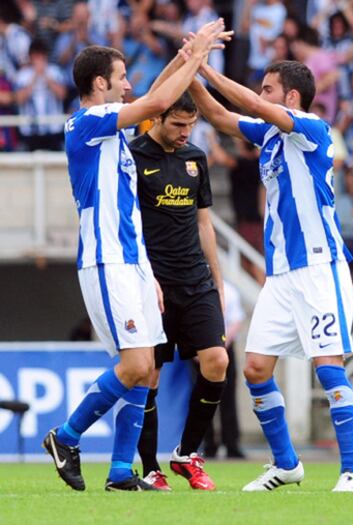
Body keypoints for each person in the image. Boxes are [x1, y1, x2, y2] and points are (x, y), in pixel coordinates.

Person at [42, 19, 229, 492]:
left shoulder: (112, 129)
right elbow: (159, 101)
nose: (129, 85)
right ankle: (65, 438)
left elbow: (156, 94)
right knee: (132, 366)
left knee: (146, 370)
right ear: (99, 83)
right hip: (106, 260)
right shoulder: (87, 123)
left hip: (134, 261)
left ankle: (122, 472)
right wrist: (199, 53)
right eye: (122, 77)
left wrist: (188, 57)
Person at [188, 59, 353, 492]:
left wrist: (208, 70)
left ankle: (352, 473)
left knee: (328, 367)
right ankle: (286, 464)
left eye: (268, 89)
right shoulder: (269, 135)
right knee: (254, 368)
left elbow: (244, 102)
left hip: (319, 267)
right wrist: (187, 73)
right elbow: (217, 115)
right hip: (281, 275)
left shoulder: (311, 127)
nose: (260, 95)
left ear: (290, 97)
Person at [128, 91, 228, 491]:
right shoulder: (134, 157)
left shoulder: (195, 159)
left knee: (217, 361)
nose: (186, 132)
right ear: (157, 118)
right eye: (178, 125)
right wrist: (143, 275)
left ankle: (186, 454)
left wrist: (218, 280)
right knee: (148, 375)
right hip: (154, 281)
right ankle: (150, 467)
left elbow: (204, 224)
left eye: (192, 125)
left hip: (196, 280)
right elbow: (128, 224)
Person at [202, 279, 246, 459]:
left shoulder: (228, 290)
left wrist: (218, 347)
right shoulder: (194, 288)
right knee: (202, 399)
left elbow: (236, 321)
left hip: (223, 347)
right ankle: (207, 444)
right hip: (200, 350)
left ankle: (232, 444)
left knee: (228, 398)